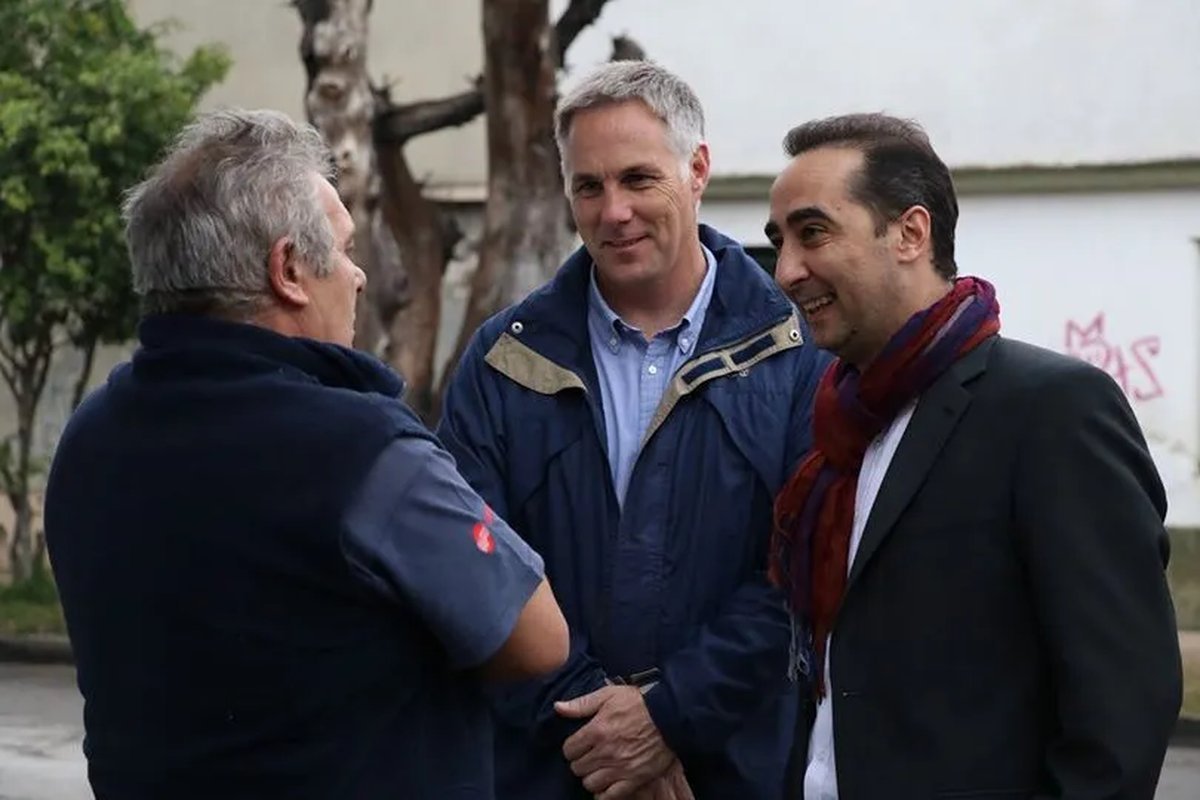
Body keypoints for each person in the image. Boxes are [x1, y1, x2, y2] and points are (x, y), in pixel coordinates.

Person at [43, 108, 569, 800]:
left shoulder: (87, 441)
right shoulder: (365, 453)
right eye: (347, 250)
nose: (357, 276)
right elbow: (538, 639)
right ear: (289, 269)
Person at [436, 60, 831, 800]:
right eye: (589, 186)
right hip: (550, 772)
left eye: (638, 179)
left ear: (698, 169)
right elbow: (471, 574)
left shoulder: (797, 348)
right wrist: (602, 731)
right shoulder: (503, 361)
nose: (612, 211)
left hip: (737, 771)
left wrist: (667, 719)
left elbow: (805, 571)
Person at [764, 112, 1183, 799]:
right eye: (777, 242)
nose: (785, 271)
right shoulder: (836, 427)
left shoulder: (1050, 409)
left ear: (910, 233)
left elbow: (1122, 706)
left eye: (813, 233)